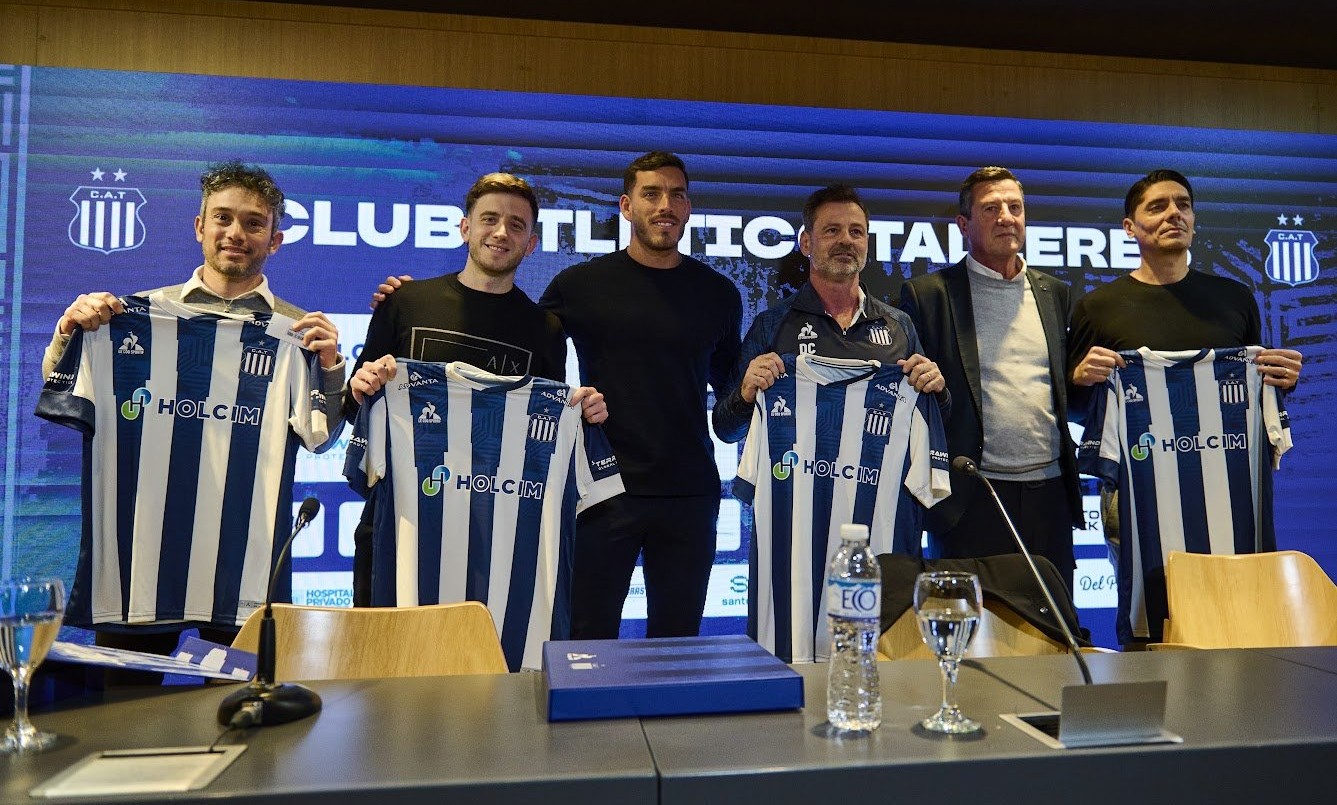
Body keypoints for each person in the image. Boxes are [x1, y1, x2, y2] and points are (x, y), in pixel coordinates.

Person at [38, 161, 345, 678]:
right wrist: (70, 335)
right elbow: (64, 396)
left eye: (253, 223)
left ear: (275, 240)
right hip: (136, 572)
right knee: (125, 728)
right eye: (222, 218)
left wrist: (332, 369)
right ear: (199, 227)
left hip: (243, 578)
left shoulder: (299, 333)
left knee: (245, 733)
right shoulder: (122, 318)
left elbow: (322, 436)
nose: (235, 233)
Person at [345, 173, 607, 607]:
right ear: (466, 227)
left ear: (532, 243)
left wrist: (584, 413)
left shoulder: (545, 329)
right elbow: (352, 404)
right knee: (383, 666)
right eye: (489, 219)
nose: (501, 232)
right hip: (401, 527)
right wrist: (359, 387)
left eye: (516, 225)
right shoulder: (406, 303)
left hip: (495, 540)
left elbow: (543, 431)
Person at [1067, 168, 1303, 645]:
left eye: (1184, 204)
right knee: (1154, 615)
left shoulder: (1234, 299)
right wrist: (1079, 379)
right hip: (1138, 486)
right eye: (1158, 206)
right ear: (1129, 227)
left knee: (1239, 621)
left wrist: (1284, 381)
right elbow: (1075, 406)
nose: (1175, 213)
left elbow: (1254, 390)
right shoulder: (1099, 307)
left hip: (1229, 485)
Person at [539, 151, 743, 639]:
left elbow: (730, 403)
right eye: (651, 194)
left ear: (689, 208)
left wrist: (756, 385)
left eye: (676, 194)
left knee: (678, 644)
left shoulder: (718, 294)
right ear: (627, 206)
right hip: (603, 489)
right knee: (587, 640)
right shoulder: (580, 285)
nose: (664, 205)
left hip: (690, 492)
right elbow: (519, 348)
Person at [899, 166, 1083, 588]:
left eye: (1015, 207)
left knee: (1052, 633)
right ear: (963, 225)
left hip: (1049, 493)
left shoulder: (1053, 291)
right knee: (973, 636)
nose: (1006, 217)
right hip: (970, 496)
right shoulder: (929, 295)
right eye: (991, 208)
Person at [713, 184, 948, 443]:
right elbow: (726, 430)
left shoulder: (898, 325)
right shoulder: (771, 324)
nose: (846, 240)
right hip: (796, 481)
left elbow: (934, 423)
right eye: (832, 230)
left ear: (866, 244)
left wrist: (938, 393)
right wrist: (745, 395)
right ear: (806, 242)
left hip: (880, 482)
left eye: (856, 232)